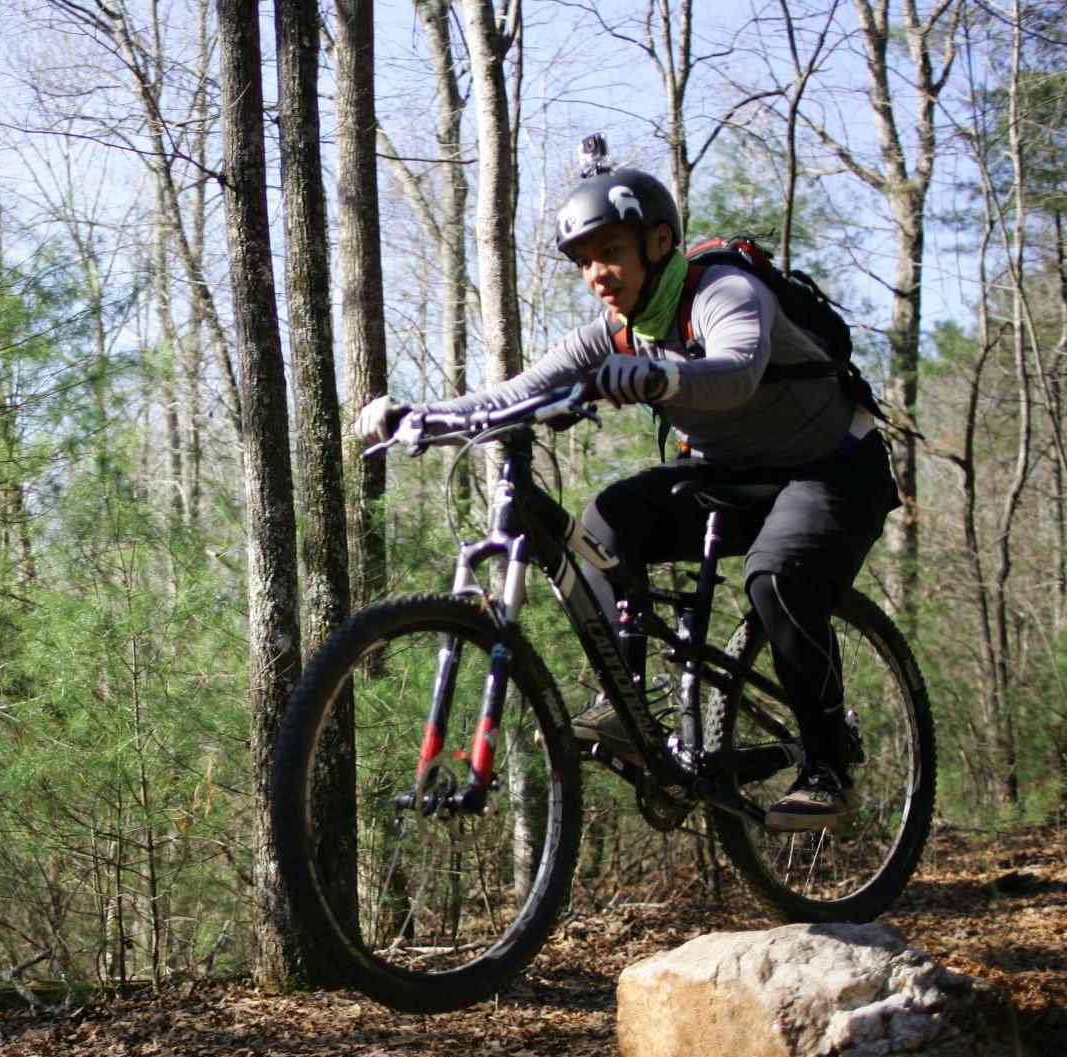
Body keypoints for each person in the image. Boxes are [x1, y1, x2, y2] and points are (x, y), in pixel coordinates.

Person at [353, 155, 900, 832]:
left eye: (609, 251)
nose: (597, 274)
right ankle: (626, 706)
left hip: (833, 467)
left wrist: (653, 376)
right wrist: (420, 416)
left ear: (659, 242)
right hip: (731, 474)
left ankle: (827, 767)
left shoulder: (722, 291)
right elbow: (517, 394)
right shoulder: (613, 334)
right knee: (605, 521)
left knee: (779, 576)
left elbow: (735, 371)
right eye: (584, 261)